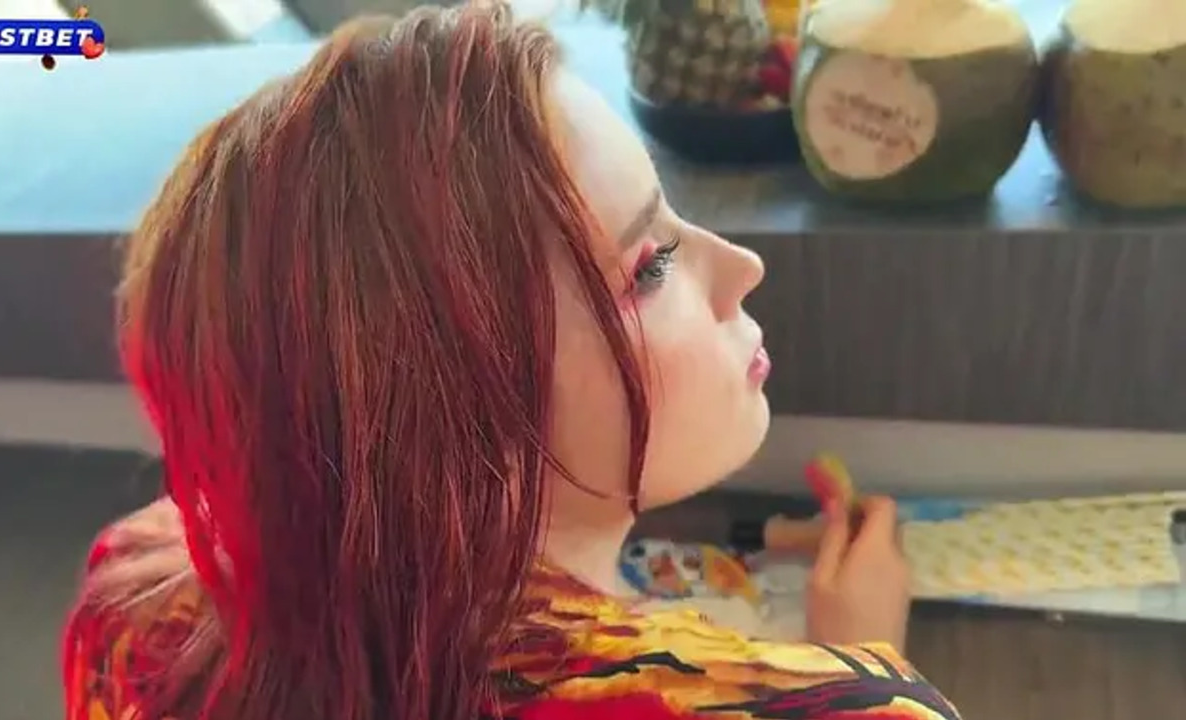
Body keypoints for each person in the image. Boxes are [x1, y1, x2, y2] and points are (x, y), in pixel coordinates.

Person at [62, 3, 960, 720]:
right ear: (447, 415)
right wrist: (861, 663)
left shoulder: (136, 602)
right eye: (650, 266)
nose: (741, 268)